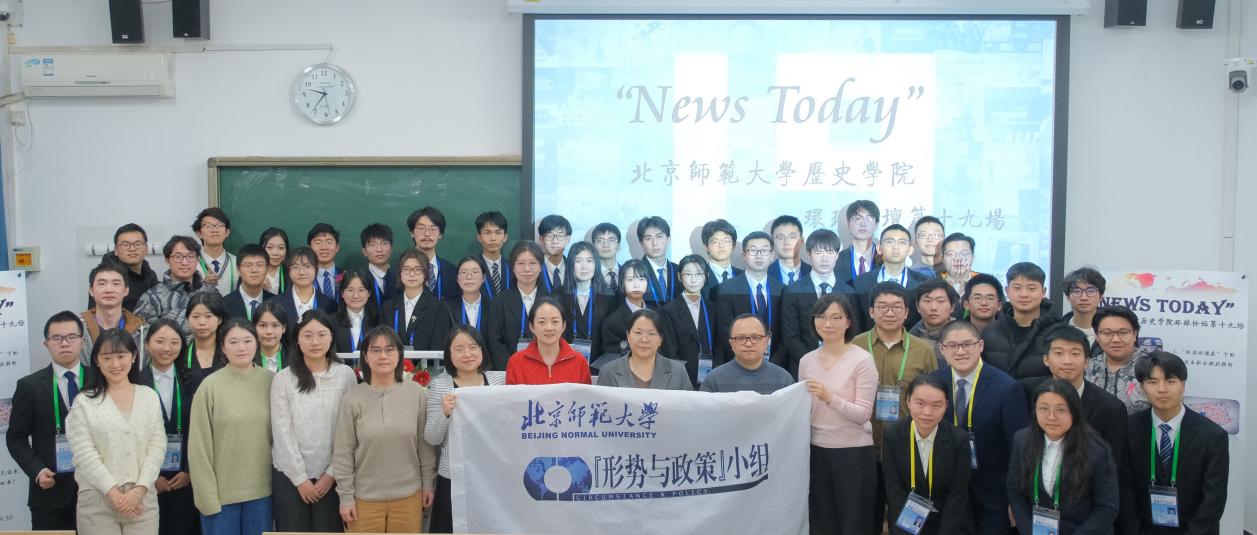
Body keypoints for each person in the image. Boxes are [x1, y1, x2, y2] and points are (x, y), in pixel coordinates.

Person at [1023, 325, 1137, 535]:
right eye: (1059, 353)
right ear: (1046, 359)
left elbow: (1116, 470)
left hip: (1088, 517)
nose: (1067, 361)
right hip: (1037, 511)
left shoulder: (1110, 408)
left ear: (1086, 362)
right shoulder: (1026, 393)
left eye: (1075, 354)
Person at [852, 282, 938, 532]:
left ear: (907, 312)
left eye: (896, 307)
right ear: (871, 312)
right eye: (882, 307)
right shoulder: (855, 346)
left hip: (908, 446)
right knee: (867, 513)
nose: (889, 312)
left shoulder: (923, 350)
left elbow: (934, 398)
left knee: (907, 517)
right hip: (865, 445)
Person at [333, 326, 436, 533]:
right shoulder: (352, 399)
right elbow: (343, 453)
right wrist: (346, 497)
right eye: (376, 350)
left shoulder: (416, 393)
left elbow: (424, 445)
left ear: (399, 354)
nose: (383, 356)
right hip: (364, 501)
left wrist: (428, 484)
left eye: (389, 349)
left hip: (409, 497)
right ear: (365, 356)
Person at [929, 321, 1028, 535]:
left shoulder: (1007, 387)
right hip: (946, 492)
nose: (961, 351)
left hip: (992, 494)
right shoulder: (932, 384)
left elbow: (1019, 449)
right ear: (942, 349)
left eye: (968, 344)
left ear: (980, 345)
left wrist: (1017, 499)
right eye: (952, 346)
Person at [66, 328, 166, 534]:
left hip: (142, 500)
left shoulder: (149, 396)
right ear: (97, 360)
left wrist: (139, 490)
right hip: (97, 500)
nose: (115, 364)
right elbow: (84, 453)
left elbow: (157, 446)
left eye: (121, 356)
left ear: (134, 356)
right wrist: (114, 493)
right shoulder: (84, 402)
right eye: (107, 358)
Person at [797, 293, 877, 533]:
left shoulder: (863, 360)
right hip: (816, 450)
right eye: (821, 317)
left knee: (853, 523)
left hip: (853, 453)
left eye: (836, 317)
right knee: (821, 522)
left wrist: (829, 397)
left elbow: (863, 414)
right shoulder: (807, 361)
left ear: (848, 321)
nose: (827, 323)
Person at [271, 311, 357, 532]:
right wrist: (300, 479)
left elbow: (350, 430)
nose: (315, 342)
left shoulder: (345, 375)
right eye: (307, 335)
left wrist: (331, 474)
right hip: (290, 476)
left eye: (321, 334)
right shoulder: (283, 378)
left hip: (334, 476)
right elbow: (281, 431)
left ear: (331, 337)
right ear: (297, 339)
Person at [188, 319, 274, 535]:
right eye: (233, 342)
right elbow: (198, 447)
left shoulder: (272, 382)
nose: (241, 347)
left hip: (263, 494)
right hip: (221, 497)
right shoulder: (210, 386)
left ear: (257, 343)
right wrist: (206, 496)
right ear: (223, 347)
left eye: (247, 340)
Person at [1127, 351, 1229, 534]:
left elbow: (1214, 499)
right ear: (1142, 387)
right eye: (1153, 382)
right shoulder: (1129, 428)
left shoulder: (1212, 435)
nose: (1162, 389)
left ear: (1183, 385)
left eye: (1170, 381)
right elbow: (1124, 487)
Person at [6, 312, 86, 530]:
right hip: (50, 493)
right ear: (46, 343)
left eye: (71, 337)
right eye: (57, 338)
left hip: (96, 494)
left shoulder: (99, 380)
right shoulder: (29, 386)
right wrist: (37, 471)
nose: (64, 343)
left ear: (82, 340)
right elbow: (15, 437)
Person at [1007, 380, 1120, 534]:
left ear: (1074, 411)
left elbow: (1107, 508)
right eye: (1043, 409)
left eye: (1060, 410)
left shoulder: (1097, 451)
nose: (1051, 417)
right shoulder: (1022, 440)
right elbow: (1015, 492)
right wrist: (1029, 531)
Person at [424, 327, 506, 533]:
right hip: (454, 476)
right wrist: (444, 412)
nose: (467, 354)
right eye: (459, 349)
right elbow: (432, 438)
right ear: (449, 354)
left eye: (473, 347)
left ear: (482, 349)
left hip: (492, 474)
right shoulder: (440, 385)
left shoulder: (500, 380)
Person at [882, 374, 974, 535]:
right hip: (905, 520)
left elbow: (957, 495)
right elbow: (894, 490)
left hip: (948, 522)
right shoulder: (893, 434)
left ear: (946, 405)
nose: (927, 412)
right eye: (920, 403)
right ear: (908, 401)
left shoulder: (959, 440)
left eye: (936, 405)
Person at [140, 319, 199, 535]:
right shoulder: (135, 382)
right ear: (147, 344)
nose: (167, 348)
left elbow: (200, 430)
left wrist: (189, 471)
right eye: (160, 341)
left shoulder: (192, 380)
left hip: (185, 477)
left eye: (174, 342)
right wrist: (150, 477)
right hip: (146, 481)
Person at [713, 231, 785, 368]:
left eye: (764, 250)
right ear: (744, 255)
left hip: (774, 364)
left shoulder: (782, 290)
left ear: (772, 256)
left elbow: (785, 334)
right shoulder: (726, 289)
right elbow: (725, 332)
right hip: (737, 365)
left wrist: (774, 363)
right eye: (753, 250)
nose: (759, 255)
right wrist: (747, 360)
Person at [981, 262, 1062, 380]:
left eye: (1032, 288)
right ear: (1007, 291)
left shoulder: (1059, 332)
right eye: (1017, 288)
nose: (1024, 294)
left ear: (1043, 292)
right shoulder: (990, 332)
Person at [781, 229, 841, 377]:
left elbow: (853, 333)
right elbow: (791, 336)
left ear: (837, 255)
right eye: (818, 252)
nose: (824, 258)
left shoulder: (849, 291)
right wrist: (812, 364)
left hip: (841, 368)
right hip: (803, 368)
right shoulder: (792, 291)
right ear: (808, 254)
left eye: (830, 252)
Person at [852, 224, 931, 332]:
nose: (895, 247)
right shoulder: (861, 282)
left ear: (910, 250)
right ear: (879, 248)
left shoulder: (924, 283)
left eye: (902, 242)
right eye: (889, 241)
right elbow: (857, 322)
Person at [134, 235, 220, 332]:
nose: (184, 262)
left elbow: (223, 328)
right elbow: (140, 335)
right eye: (178, 257)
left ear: (197, 259)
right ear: (167, 261)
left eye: (190, 256)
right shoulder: (152, 297)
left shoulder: (211, 292)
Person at [485, 241, 548, 369]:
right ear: (513, 268)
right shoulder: (500, 301)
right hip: (510, 370)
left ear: (541, 267)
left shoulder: (552, 301)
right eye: (521, 263)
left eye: (532, 263)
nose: (527, 269)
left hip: (545, 369)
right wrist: (512, 369)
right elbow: (495, 341)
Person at [505, 297, 593, 385]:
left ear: (563, 325)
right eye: (542, 322)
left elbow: (586, 394)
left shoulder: (579, 362)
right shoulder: (516, 362)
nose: (549, 328)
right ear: (532, 326)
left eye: (555, 321)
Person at [597, 309, 692, 390]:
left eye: (651, 333)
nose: (644, 339)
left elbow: (686, 405)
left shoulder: (678, 372)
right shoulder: (608, 372)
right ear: (628, 336)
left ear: (660, 340)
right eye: (638, 333)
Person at [379, 248, 452, 351]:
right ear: (400, 273)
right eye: (406, 269)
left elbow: (438, 347)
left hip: (426, 361)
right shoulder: (388, 307)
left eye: (418, 269)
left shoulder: (438, 308)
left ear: (425, 273)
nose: (412, 274)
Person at [700, 314, 793, 394]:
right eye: (741, 338)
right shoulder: (713, 380)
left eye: (755, 338)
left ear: (766, 342)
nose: (748, 344)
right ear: (731, 344)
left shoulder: (784, 379)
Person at [662, 255, 717, 385]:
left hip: (713, 375)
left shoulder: (713, 308)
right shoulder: (669, 310)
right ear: (679, 277)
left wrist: (716, 371)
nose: (693, 279)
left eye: (698, 274)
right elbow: (670, 351)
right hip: (682, 377)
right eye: (688, 274)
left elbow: (719, 345)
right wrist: (681, 377)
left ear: (706, 276)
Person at [1085, 306, 1150, 413]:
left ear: (1135, 334)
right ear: (1097, 336)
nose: (1115, 339)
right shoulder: (1087, 368)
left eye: (1123, 332)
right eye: (1107, 333)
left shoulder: (1151, 367)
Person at [80, 263, 145, 362]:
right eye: (102, 284)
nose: (109, 290)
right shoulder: (77, 329)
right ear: (91, 291)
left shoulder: (143, 330)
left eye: (116, 284)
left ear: (126, 291)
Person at [90, 223, 159, 312]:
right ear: (116, 250)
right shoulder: (105, 278)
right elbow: (96, 315)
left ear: (146, 249)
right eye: (125, 244)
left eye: (138, 243)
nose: (132, 248)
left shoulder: (150, 274)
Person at [561, 241, 610, 361]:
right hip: (565, 362)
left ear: (596, 264)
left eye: (589, 261)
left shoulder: (609, 297)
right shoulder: (557, 297)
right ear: (570, 264)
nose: (584, 267)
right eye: (578, 261)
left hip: (599, 364)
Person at [598, 260, 652, 364]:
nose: (636, 285)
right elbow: (613, 360)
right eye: (630, 280)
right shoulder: (611, 323)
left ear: (647, 282)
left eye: (641, 279)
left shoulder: (659, 316)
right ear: (622, 283)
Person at [271, 247, 335, 331]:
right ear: (289, 271)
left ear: (316, 270)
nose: (302, 272)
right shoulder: (275, 303)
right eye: (295, 267)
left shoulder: (329, 304)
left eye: (307, 266)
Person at [408, 207, 458, 301]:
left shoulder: (452, 272)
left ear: (440, 234)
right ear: (412, 233)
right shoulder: (398, 270)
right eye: (421, 228)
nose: (427, 233)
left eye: (433, 228)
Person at [183, 292, 229, 392]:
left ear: (219, 320)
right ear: (187, 319)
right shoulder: (181, 354)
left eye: (208, 316)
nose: (201, 322)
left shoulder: (230, 352)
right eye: (195, 317)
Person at [910, 279, 959, 369]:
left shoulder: (963, 337)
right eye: (927, 301)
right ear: (917, 306)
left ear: (952, 307)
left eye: (940, 301)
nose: (933, 307)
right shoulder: (910, 338)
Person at [222, 244, 275, 321]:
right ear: (238, 270)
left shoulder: (276, 302)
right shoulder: (224, 305)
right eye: (248, 265)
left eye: (259, 265)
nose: (254, 270)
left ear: (267, 269)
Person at [835, 200, 882, 285]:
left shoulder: (885, 259)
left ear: (876, 225)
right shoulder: (836, 260)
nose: (863, 224)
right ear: (848, 224)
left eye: (869, 218)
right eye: (857, 219)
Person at [194, 208, 239, 296]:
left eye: (219, 225)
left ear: (227, 232)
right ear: (199, 233)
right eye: (208, 226)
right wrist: (203, 285)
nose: (214, 230)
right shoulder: (190, 263)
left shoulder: (237, 262)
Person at [333, 270, 379, 355]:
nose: (356, 295)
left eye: (361, 290)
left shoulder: (379, 321)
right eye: (350, 290)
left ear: (369, 293)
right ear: (342, 293)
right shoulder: (331, 321)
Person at [638, 215, 679, 307]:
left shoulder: (678, 270)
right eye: (648, 238)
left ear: (668, 239)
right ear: (641, 243)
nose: (655, 243)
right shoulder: (635, 271)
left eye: (659, 237)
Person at [1061, 267, 1105, 348]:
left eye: (1091, 291)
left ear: (1101, 296)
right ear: (1068, 297)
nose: (1084, 297)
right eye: (1077, 291)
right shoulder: (1056, 331)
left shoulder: (1111, 332)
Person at [700, 219, 741, 300]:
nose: (721, 245)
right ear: (706, 246)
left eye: (726, 241)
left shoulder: (744, 276)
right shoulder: (698, 277)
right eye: (715, 242)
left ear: (734, 245)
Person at [446, 256, 490, 332]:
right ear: (457, 279)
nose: (469, 277)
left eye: (475, 272)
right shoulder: (447, 308)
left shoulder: (493, 308)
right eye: (464, 272)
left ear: (483, 278)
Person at [360, 223, 399, 309]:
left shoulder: (401, 276)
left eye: (384, 243)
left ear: (391, 248)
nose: (379, 249)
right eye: (372, 245)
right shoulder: (358, 278)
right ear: (364, 251)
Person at [767, 215, 811, 286]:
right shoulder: (763, 274)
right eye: (780, 237)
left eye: (792, 237)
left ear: (801, 241)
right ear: (772, 243)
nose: (787, 242)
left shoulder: (814, 273)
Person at [475, 211, 512, 297]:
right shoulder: (471, 267)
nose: (493, 238)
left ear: (505, 237)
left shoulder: (513, 267)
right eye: (487, 233)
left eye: (498, 233)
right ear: (479, 237)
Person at [308, 223, 344, 304]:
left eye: (329, 242)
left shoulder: (346, 277)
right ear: (310, 248)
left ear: (337, 247)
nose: (324, 247)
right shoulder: (303, 278)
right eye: (318, 242)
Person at [537, 214, 573, 293]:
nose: (555, 241)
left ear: (567, 239)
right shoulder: (534, 268)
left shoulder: (574, 268)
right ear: (541, 239)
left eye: (560, 236)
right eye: (550, 235)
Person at [252, 301, 290, 373]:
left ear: (284, 328)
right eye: (263, 325)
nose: (269, 331)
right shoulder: (247, 358)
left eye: (275, 325)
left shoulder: (295, 359)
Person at [591, 222, 623, 293]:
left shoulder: (628, 272)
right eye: (600, 240)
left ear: (618, 246)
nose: (606, 245)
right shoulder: (588, 275)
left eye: (611, 240)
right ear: (593, 247)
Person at [259, 227, 290, 295]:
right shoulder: (251, 272)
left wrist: (270, 290)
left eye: (281, 248)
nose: (275, 253)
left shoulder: (291, 274)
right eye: (269, 247)